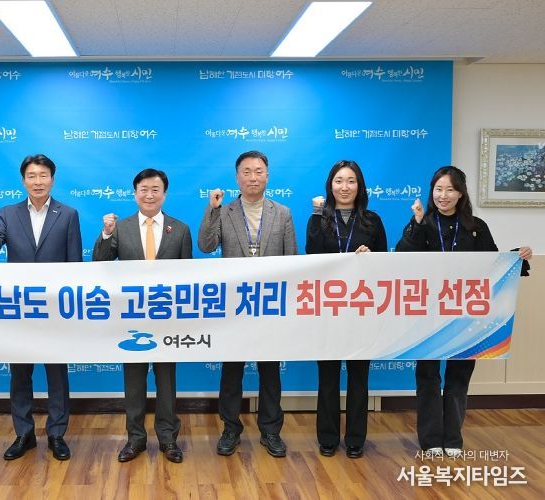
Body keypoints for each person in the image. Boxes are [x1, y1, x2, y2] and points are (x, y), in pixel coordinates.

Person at [395, 165, 532, 459]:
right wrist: (416, 223)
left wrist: (517, 257)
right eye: (438, 189)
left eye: (450, 190)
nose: (443, 195)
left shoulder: (476, 226)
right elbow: (401, 258)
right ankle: (430, 439)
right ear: (431, 192)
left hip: (465, 316)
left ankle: (453, 439)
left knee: (459, 377)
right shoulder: (423, 223)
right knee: (428, 377)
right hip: (428, 315)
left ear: (460, 193)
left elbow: (494, 262)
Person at [0, 154, 82, 462]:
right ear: (23, 180)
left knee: (57, 375)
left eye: (43, 175)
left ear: (52, 179)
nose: (38, 181)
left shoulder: (68, 214)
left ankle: (57, 434)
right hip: (19, 308)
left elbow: (75, 265)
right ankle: (23, 433)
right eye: (32, 176)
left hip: (56, 309)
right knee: (20, 374)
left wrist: (71, 309)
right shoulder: (8, 213)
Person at [198, 150, 298, 457]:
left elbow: (292, 260)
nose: (253, 177)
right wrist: (212, 209)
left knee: (270, 373)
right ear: (237, 177)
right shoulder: (225, 211)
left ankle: (271, 431)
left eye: (258, 171)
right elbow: (206, 245)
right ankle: (230, 429)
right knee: (231, 373)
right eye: (246, 172)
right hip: (235, 306)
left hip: (270, 305)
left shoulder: (282, 213)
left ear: (267, 176)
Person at [93, 168, 192, 464]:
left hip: (167, 318)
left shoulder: (180, 229)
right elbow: (99, 263)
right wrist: (106, 234)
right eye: (144, 190)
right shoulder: (120, 228)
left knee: (167, 382)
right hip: (132, 318)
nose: (149, 195)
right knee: (134, 383)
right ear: (135, 193)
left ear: (164, 194)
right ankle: (135, 439)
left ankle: (168, 439)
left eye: (155, 189)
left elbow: (189, 277)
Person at [305, 160, 387, 459]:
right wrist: (317, 215)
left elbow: (385, 264)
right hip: (327, 311)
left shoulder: (372, 221)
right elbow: (312, 256)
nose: (344, 187)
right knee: (327, 377)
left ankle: (355, 439)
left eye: (351, 181)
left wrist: (370, 256)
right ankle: (327, 437)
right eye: (339, 181)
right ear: (330, 185)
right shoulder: (319, 218)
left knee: (358, 378)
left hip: (361, 310)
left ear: (359, 186)